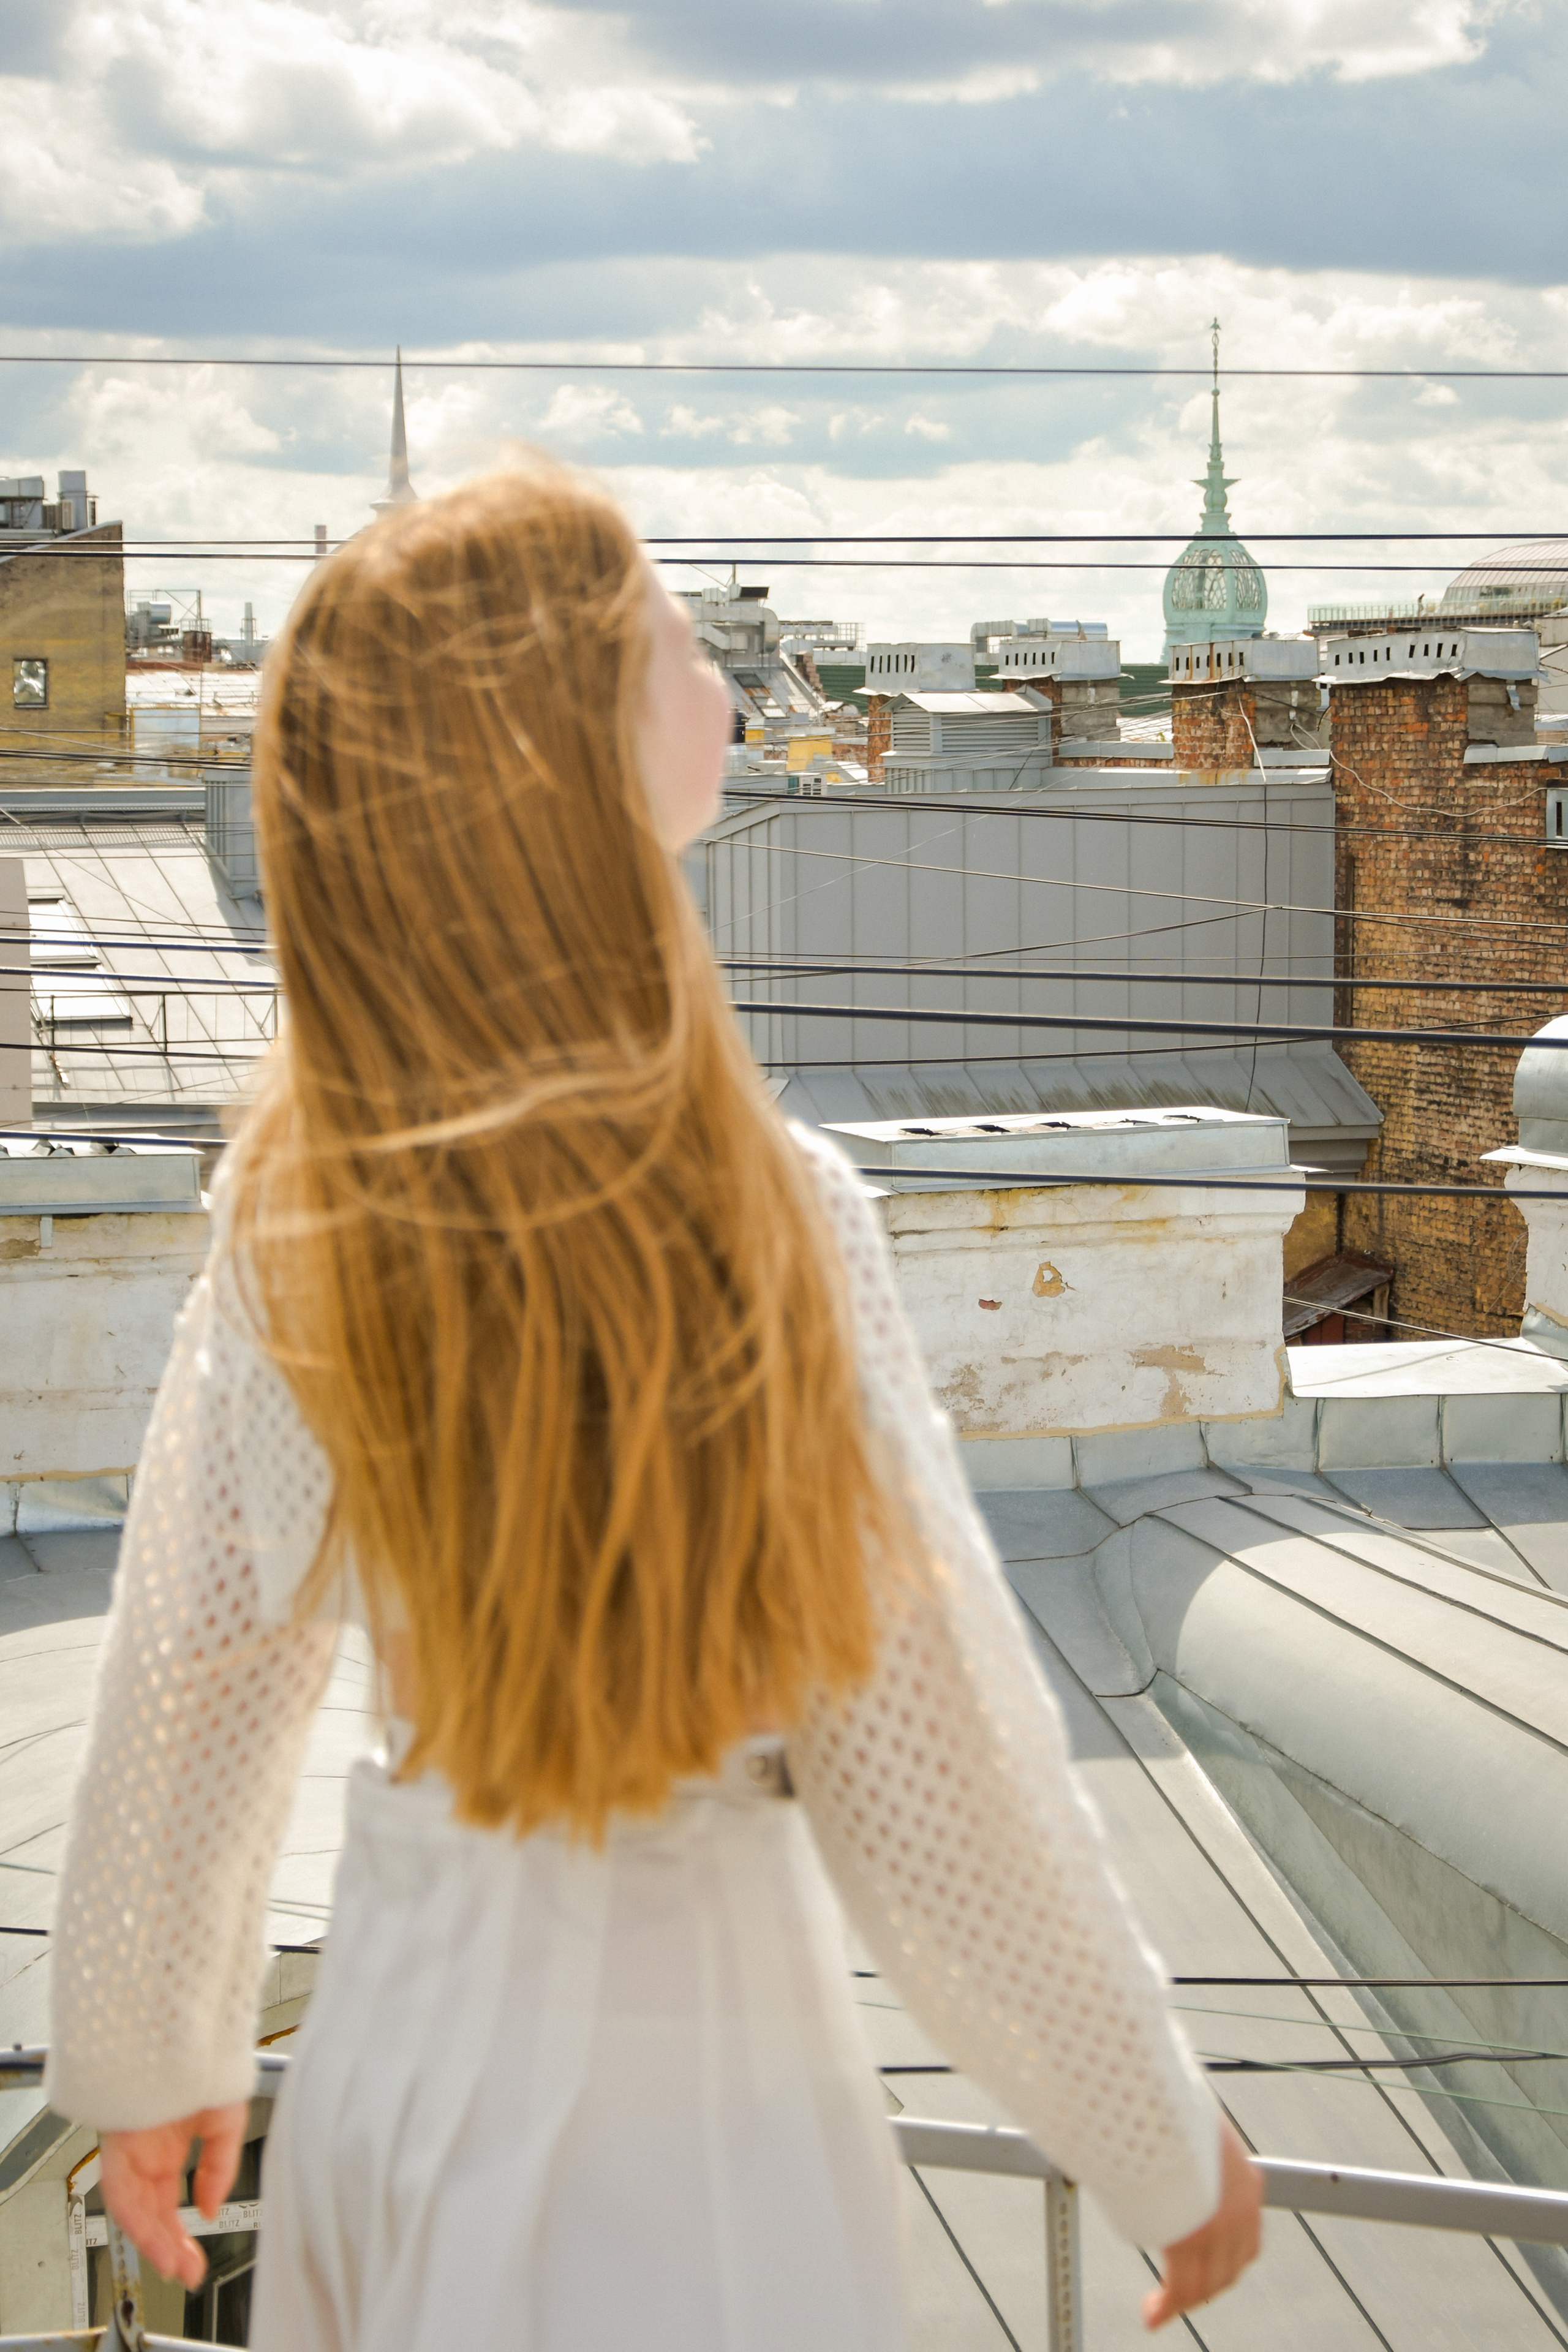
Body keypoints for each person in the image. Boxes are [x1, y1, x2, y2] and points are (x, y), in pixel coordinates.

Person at [46, 463, 1261, 2350]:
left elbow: (188, 1686)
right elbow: (936, 1779)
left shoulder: (293, 1220)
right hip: (697, 2109)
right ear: (577, 761)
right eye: (672, 632)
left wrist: (149, 2055)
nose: (715, 658)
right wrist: (1162, 2136)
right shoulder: (768, 1219)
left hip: (391, 2057)